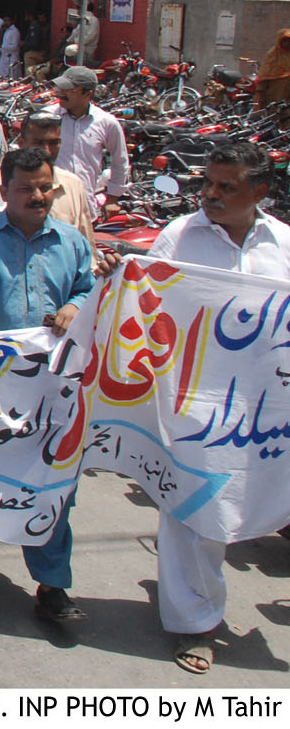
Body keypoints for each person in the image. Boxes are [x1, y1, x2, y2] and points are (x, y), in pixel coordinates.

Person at [140, 140, 290, 673]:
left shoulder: (283, 244)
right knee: (195, 511)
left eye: (226, 187)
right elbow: (145, 302)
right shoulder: (179, 237)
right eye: (207, 184)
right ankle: (194, 624)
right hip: (196, 401)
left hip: (270, 406)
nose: (211, 195)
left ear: (261, 192)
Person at [0, 147, 94, 624]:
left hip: (51, 385)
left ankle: (52, 586)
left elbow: (86, 286)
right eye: (26, 189)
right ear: (4, 190)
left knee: (52, 481)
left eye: (45, 187)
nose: (38, 196)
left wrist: (76, 305)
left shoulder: (71, 241)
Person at [48, 66, 129, 211]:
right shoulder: (48, 118)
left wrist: (112, 198)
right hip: (52, 205)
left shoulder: (106, 122)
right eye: (61, 89)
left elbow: (120, 161)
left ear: (88, 94)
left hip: (85, 205)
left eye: (69, 90)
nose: (61, 94)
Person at [15, 112, 98, 249]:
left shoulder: (73, 184)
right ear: (21, 143)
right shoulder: (1, 182)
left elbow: (85, 243)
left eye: (53, 143)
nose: (47, 150)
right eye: (38, 143)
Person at [253, 28, 290, 110]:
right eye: (285, 40)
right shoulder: (272, 55)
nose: (287, 43)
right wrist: (260, 93)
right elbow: (263, 76)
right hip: (275, 95)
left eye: (289, 40)